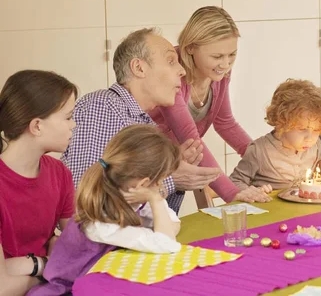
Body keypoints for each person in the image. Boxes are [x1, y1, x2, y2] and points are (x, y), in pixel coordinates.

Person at [62, 28, 218, 213]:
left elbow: (152, 216)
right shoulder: (103, 106)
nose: (182, 71)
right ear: (139, 68)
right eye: (171, 61)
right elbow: (85, 203)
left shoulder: (147, 125)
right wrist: (170, 178)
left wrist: (168, 170)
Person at [29, 125, 181, 296]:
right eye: (161, 180)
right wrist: (156, 200)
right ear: (143, 184)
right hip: (69, 290)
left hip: (101, 282)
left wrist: (155, 202)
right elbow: (168, 243)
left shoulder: (133, 199)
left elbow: (173, 226)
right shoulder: (100, 221)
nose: (161, 187)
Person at [151, 6, 271, 204]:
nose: (226, 64)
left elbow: (225, 122)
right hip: (150, 171)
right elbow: (190, 136)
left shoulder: (219, 73)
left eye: (232, 54)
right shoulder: (172, 72)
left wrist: (263, 160)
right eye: (217, 57)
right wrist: (232, 192)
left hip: (179, 166)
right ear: (190, 47)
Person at [0, 70, 77, 296]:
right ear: (37, 126)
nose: (73, 125)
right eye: (68, 116)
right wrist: (45, 267)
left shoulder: (59, 173)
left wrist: (34, 264)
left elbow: (75, 246)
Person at [230, 79, 321, 190]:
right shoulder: (259, 151)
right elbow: (235, 182)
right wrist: (251, 192)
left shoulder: (315, 146)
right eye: (301, 129)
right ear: (281, 122)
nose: (310, 138)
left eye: (316, 130)